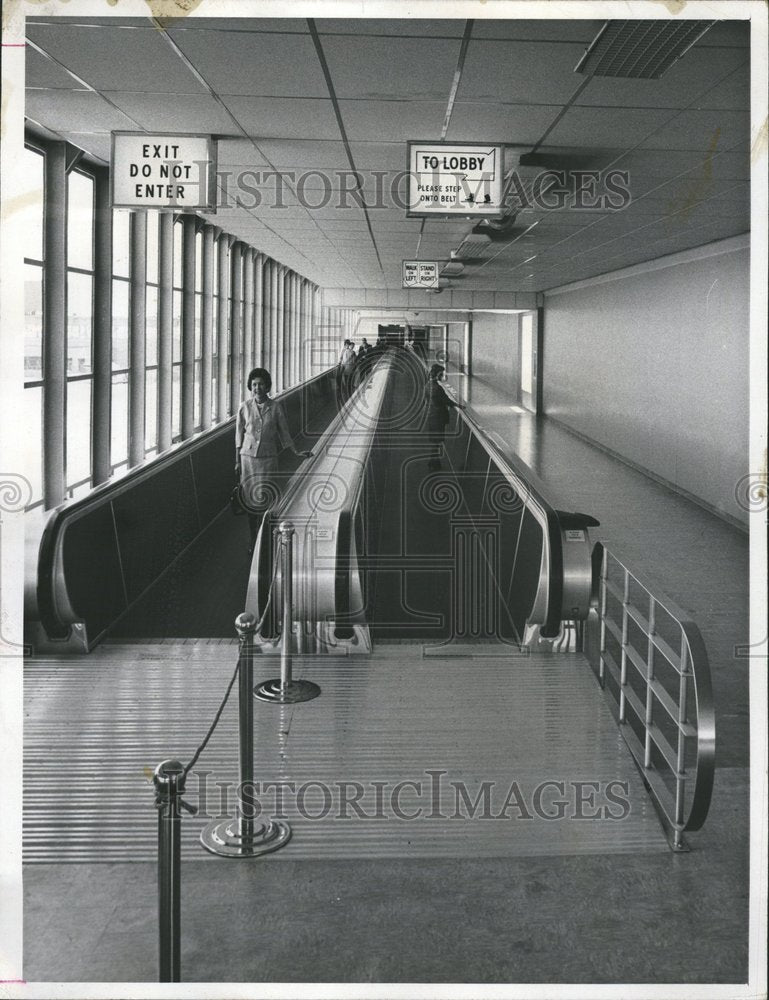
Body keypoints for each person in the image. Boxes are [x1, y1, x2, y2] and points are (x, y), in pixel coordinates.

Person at [235, 367, 312, 550]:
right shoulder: (244, 407)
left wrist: (296, 452)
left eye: (261, 384)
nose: (257, 388)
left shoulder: (275, 407)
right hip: (248, 460)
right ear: (250, 387)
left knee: (267, 498)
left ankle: (266, 539)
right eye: (254, 384)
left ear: (267, 386)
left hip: (268, 459)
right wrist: (237, 460)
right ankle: (253, 540)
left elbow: (284, 433)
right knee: (250, 501)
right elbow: (238, 435)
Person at [425, 363, 463, 471]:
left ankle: (434, 462)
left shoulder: (428, 385)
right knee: (437, 441)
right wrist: (458, 405)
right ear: (438, 374)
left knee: (434, 441)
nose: (443, 376)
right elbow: (446, 400)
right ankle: (433, 463)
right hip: (438, 418)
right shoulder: (437, 388)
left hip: (431, 416)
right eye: (442, 374)